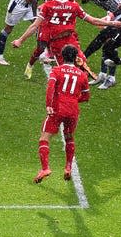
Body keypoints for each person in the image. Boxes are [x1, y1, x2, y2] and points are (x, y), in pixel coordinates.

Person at [11, 0, 121, 76]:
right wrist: (113, 23)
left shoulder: (48, 5)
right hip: (63, 38)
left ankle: (74, 87)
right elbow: (93, 20)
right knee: (76, 63)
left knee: (73, 66)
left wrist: (20, 40)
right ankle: (31, 65)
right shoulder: (74, 6)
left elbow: (34, 25)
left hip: (59, 40)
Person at [33, 44, 90, 183]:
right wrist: (74, 100)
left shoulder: (56, 70)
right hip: (73, 110)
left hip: (58, 108)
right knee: (69, 137)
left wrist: (49, 105)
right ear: (75, 58)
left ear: (62, 56)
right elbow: (86, 96)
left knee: (44, 138)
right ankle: (68, 167)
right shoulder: (82, 75)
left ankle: (45, 168)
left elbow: (50, 88)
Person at [79, 0, 121, 88]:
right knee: (104, 41)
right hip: (116, 13)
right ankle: (103, 75)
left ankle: (111, 77)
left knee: (108, 43)